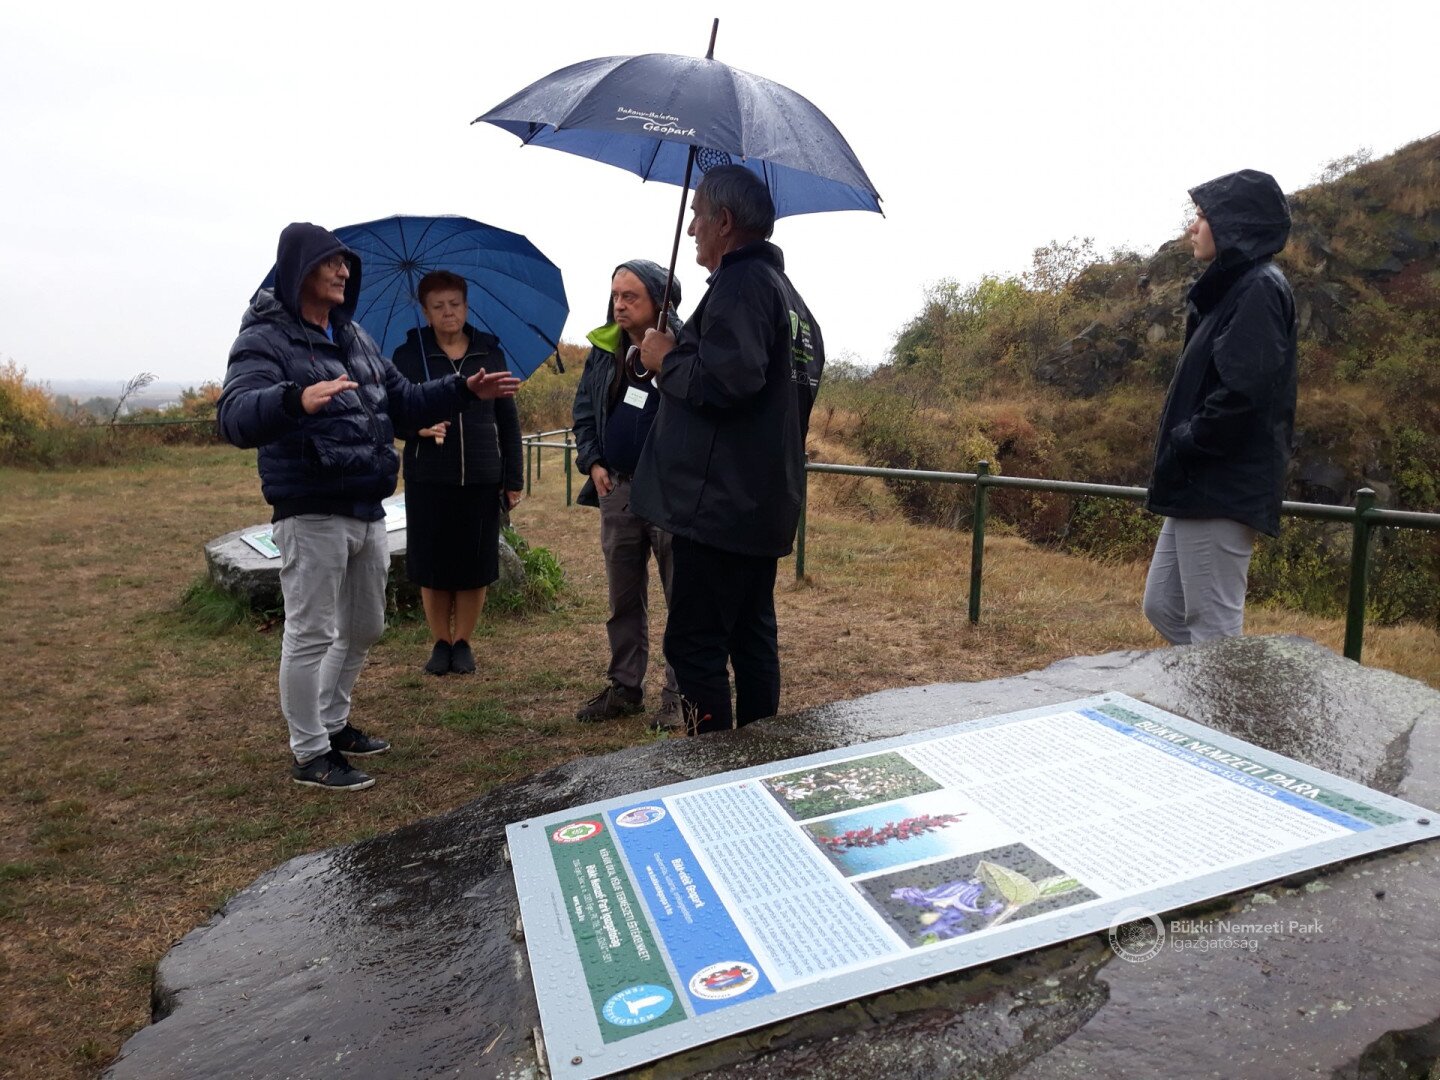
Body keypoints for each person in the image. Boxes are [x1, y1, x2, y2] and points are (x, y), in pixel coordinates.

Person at [218, 223, 519, 790]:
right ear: (300, 269)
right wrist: (294, 400)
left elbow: (403, 402)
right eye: (331, 263)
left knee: (363, 626)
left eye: (345, 264)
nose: (343, 271)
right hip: (311, 506)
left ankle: (333, 723)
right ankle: (310, 752)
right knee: (311, 633)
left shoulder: (354, 337)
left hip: (368, 504)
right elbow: (233, 416)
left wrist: (461, 391)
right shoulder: (266, 338)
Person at [631, 166, 824, 735]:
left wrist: (666, 359)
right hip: (759, 503)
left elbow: (727, 382)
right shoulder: (791, 300)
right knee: (751, 636)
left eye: (697, 215)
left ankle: (713, 766)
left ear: (725, 222)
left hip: (715, 507)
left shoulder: (741, 286)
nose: (691, 228)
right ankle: (760, 754)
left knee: (696, 646)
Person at [1143, 170, 1297, 644]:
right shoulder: (1231, 288)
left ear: (1235, 224)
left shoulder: (1258, 287)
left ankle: (1228, 694)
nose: (1192, 227)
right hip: (1198, 481)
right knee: (1163, 605)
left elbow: (1244, 392)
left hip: (1221, 482)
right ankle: (1209, 689)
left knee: (1214, 632)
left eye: (1202, 217)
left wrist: (1189, 440)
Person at [392, 270, 523, 677]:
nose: (448, 312)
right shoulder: (408, 356)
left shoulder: (489, 352)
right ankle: (440, 642)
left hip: (481, 474)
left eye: (455, 304)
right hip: (428, 476)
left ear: (466, 307)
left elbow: (508, 418)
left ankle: (463, 641)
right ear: (425, 311)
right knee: (432, 564)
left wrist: (513, 478)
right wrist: (417, 428)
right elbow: (391, 413)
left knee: (474, 563)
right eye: (438, 306)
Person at [571, 260, 684, 728]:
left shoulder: (686, 346)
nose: (619, 305)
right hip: (617, 487)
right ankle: (624, 686)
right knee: (623, 596)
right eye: (615, 295)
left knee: (683, 597)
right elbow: (584, 412)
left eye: (630, 296)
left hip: (671, 492)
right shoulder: (605, 350)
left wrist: (668, 360)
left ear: (659, 301)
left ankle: (680, 694)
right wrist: (594, 462)